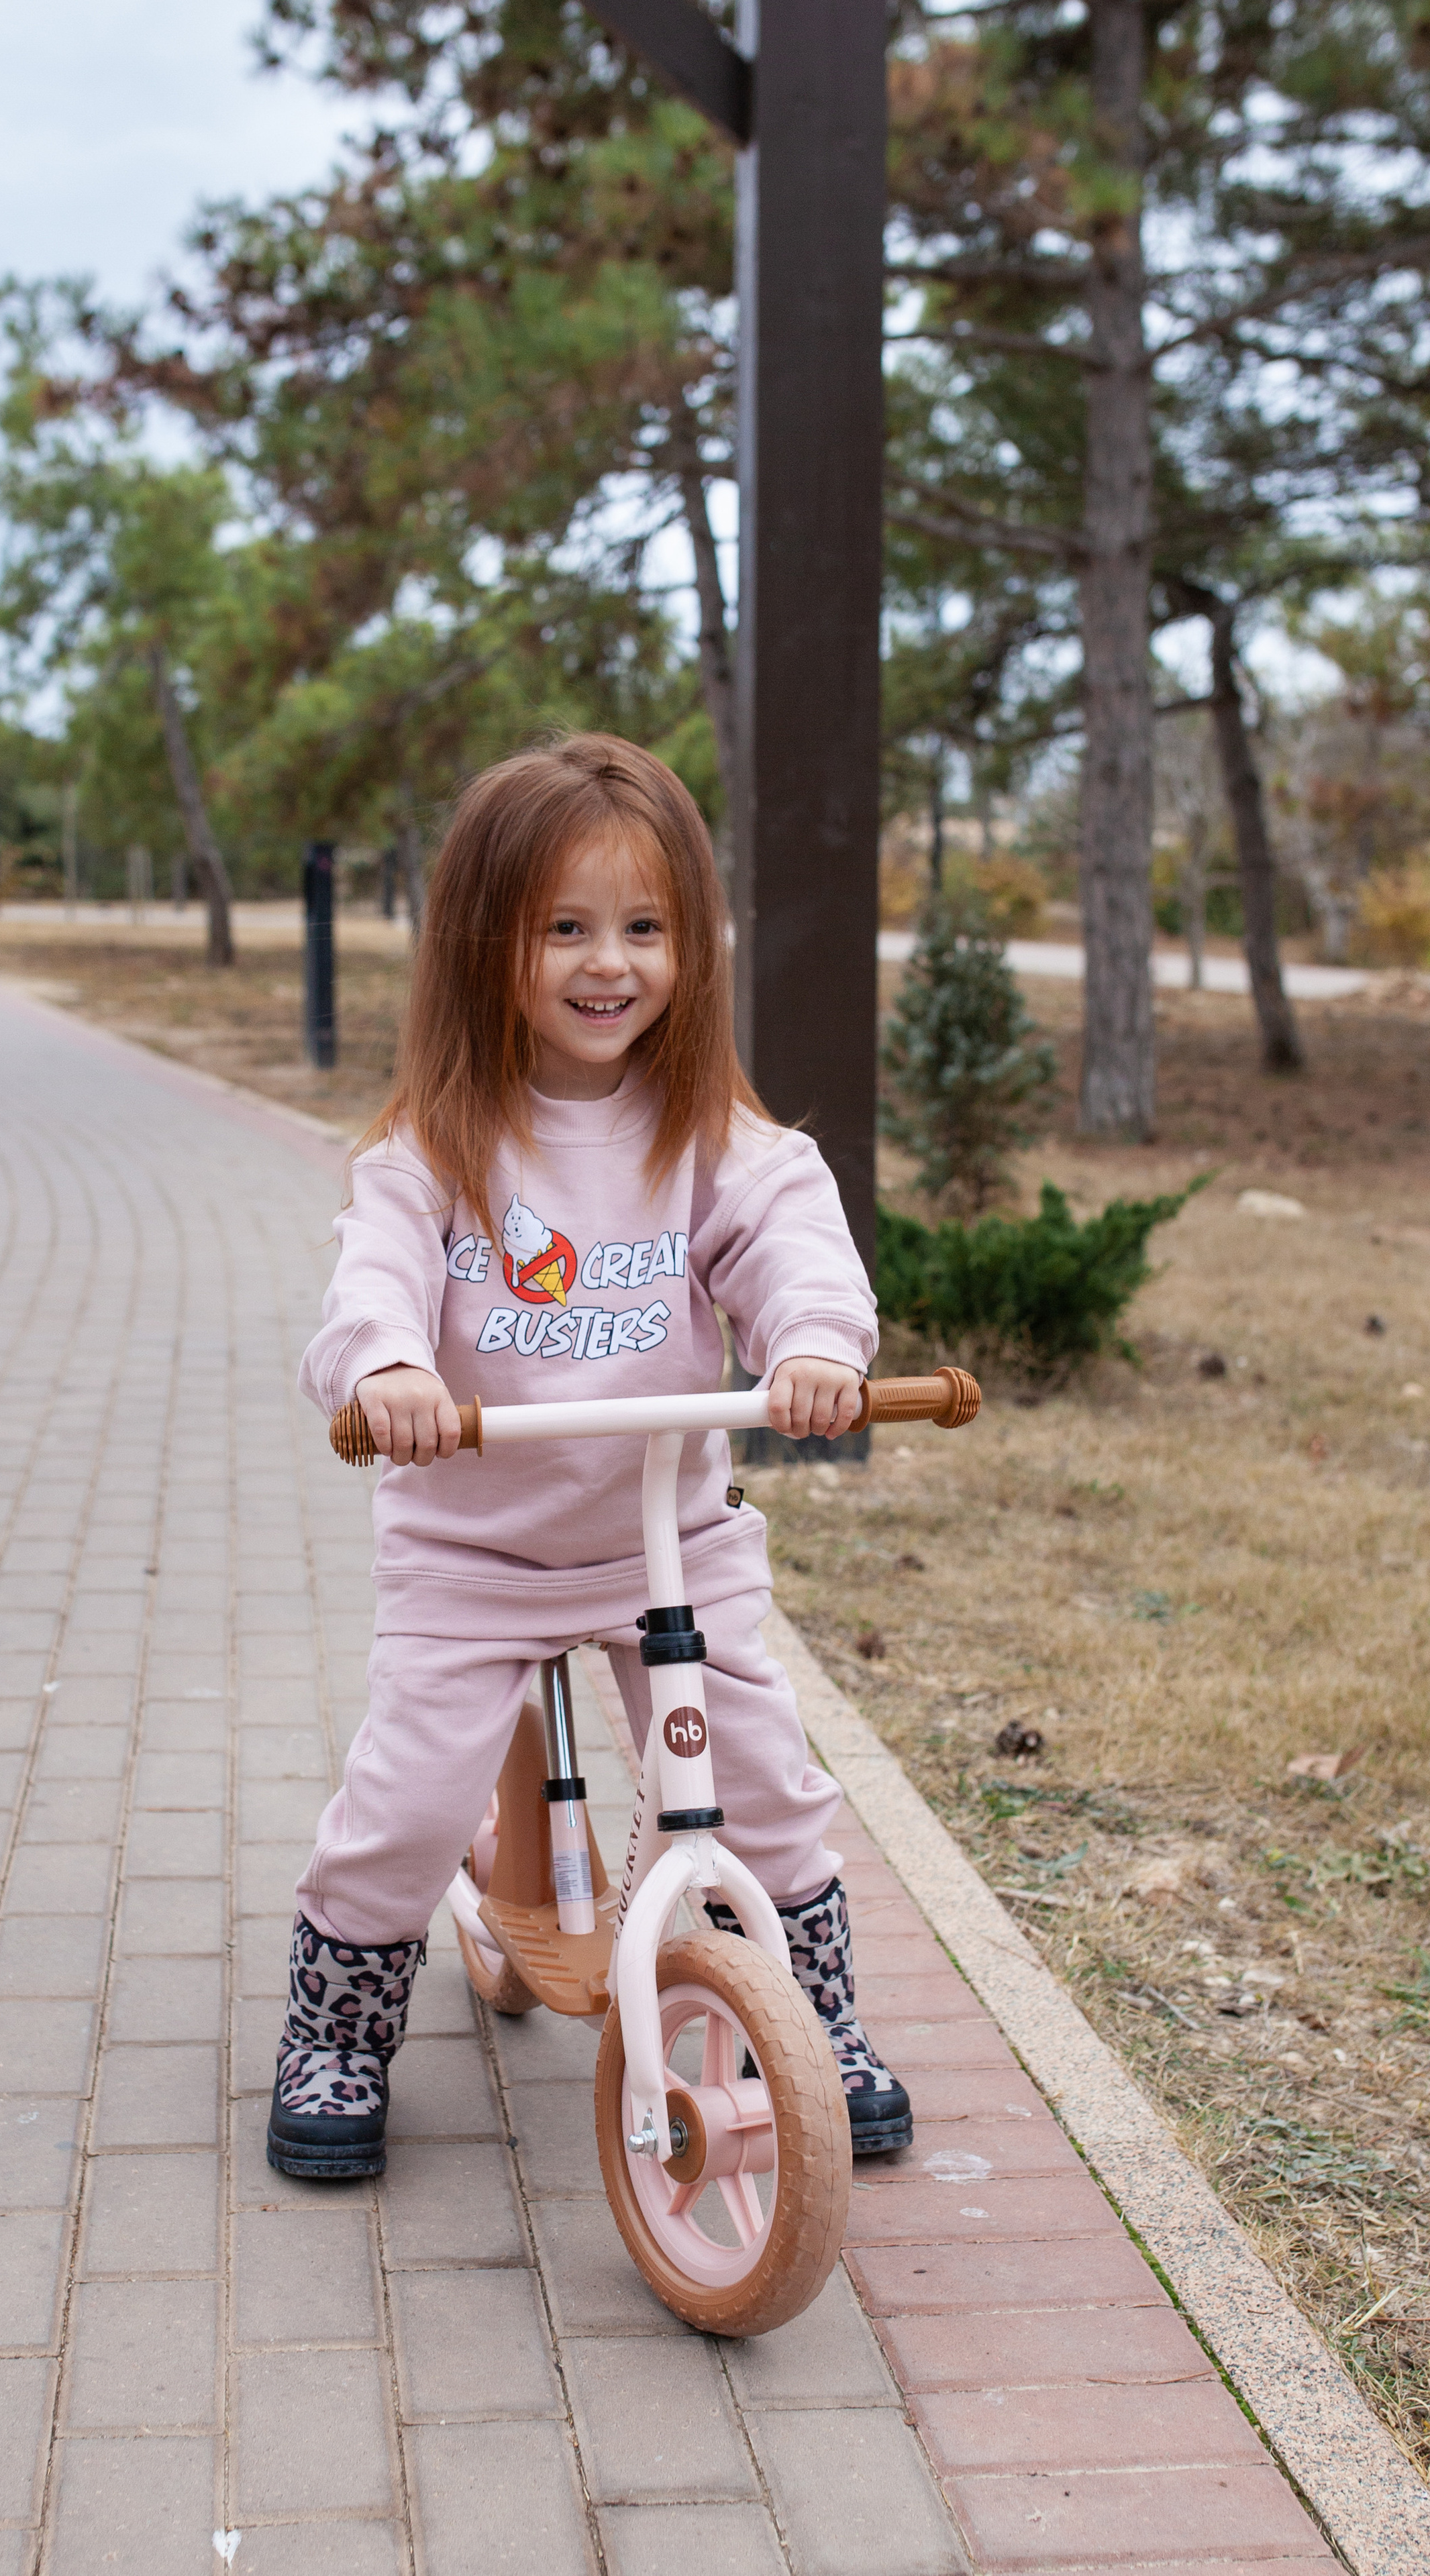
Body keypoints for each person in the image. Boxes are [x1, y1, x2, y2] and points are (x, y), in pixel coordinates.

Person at [268, 734, 911, 2180]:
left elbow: (798, 1253)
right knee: (409, 1802)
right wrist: (389, 1368)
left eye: (642, 927)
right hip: (472, 1552)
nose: (604, 962)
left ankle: (813, 2015)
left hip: (659, 1544)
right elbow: (365, 1293)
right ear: (482, 945)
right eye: (561, 927)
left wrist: (813, 1350)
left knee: (762, 1777)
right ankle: (336, 2027)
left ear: (690, 943)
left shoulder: (714, 1140)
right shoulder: (436, 1148)